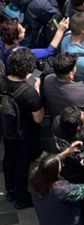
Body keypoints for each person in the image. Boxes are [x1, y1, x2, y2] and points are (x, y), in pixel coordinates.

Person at [1, 48, 45, 209]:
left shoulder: (2, 81)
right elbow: (38, 118)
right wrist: (37, 89)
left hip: (7, 129)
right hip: (25, 134)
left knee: (9, 158)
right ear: (28, 71)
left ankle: (10, 190)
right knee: (22, 164)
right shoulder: (30, 93)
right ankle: (21, 199)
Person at [40, 53, 84, 120]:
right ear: (70, 74)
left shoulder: (48, 79)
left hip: (56, 120)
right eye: (75, 67)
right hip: (76, 126)